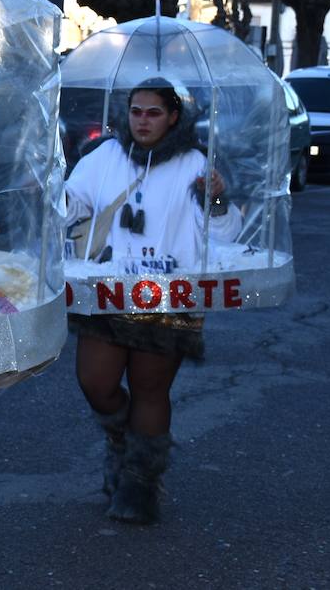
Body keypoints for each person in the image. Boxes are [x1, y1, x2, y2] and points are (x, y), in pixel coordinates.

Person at [64, 78, 242, 524]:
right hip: (106, 292)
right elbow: (67, 208)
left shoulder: (196, 164)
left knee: (149, 389)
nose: (142, 121)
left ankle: (141, 482)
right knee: (96, 383)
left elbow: (223, 235)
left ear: (174, 117)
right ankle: (124, 444)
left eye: (154, 113)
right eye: (136, 112)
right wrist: (48, 191)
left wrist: (216, 199)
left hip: (168, 295)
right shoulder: (104, 156)